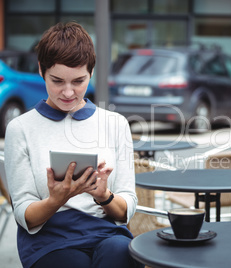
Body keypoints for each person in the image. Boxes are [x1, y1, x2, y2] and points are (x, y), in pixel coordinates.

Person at [4, 22, 142, 268]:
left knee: (121, 254)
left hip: (104, 231)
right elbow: (23, 214)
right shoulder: (21, 128)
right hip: (47, 238)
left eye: (78, 81)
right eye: (57, 81)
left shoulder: (116, 124)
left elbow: (126, 208)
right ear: (41, 70)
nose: (68, 92)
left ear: (91, 72)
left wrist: (104, 196)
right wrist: (56, 200)